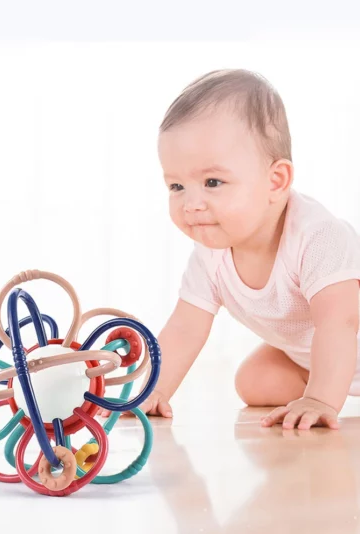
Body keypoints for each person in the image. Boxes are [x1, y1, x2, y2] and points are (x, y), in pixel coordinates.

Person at [102, 69, 360, 430]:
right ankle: (323, 384)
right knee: (255, 381)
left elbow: (340, 323)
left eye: (212, 182)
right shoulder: (211, 253)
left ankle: (325, 388)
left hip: (344, 343)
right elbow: (185, 329)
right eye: (176, 186)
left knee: (325, 357)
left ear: (276, 181)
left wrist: (320, 398)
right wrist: (152, 390)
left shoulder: (318, 237)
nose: (191, 203)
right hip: (313, 357)